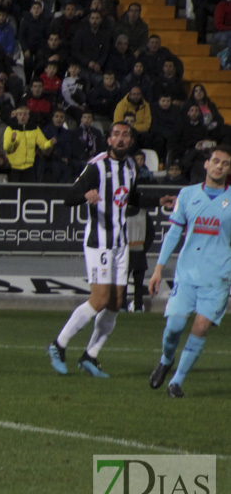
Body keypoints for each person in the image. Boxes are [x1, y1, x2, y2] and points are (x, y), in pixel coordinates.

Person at [48, 122, 176, 378]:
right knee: (100, 300)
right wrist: (86, 195)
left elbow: (131, 199)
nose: (120, 139)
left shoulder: (131, 166)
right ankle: (58, 345)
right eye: (116, 135)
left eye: (125, 135)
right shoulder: (97, 165)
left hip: (121, 243)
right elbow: (69, 197)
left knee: (117, 302)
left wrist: (158, 201)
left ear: (131, 141)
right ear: (108, 140)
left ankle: (90, 356)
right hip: (99, 241)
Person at [147, 145, 231, 398]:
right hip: (187, 274)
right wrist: (158, 268)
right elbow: (174, 233)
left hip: (218, 277)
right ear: (206, 164)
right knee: (173, 327)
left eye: (225, 163)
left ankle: (177, 381)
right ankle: (166, 359)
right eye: (215, 161)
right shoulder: (187, 194)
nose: (219, 166)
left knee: (201, 327)